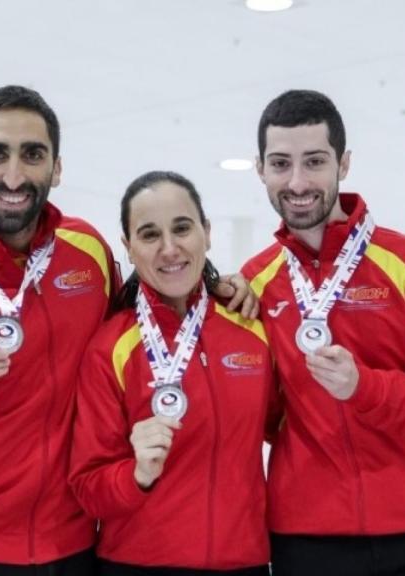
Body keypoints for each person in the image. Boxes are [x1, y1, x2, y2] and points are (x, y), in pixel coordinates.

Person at [0, 85, 255, 575]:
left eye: (32, 154)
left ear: (55, 168)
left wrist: (218, 286)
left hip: (73, 548)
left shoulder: (88, 252)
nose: (14, 175)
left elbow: (143, 325)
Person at [240, 89, 405, 576]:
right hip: (309, 536)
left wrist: (363, 388)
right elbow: (259, 413)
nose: (298, 181)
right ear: (260, 169)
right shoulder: (255, 283)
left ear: (343, 164)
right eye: (280, 163)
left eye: (315, 161)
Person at [70, 171, 278, 576]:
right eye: (149, 235)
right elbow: (87, 487)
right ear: (129, 249)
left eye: (182, 228)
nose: (169, 248)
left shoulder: (252, 328)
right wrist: (136, 475)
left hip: (244, 563)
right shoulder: (110, 347)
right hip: (136, 565)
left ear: (207, 232)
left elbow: (293, 425)